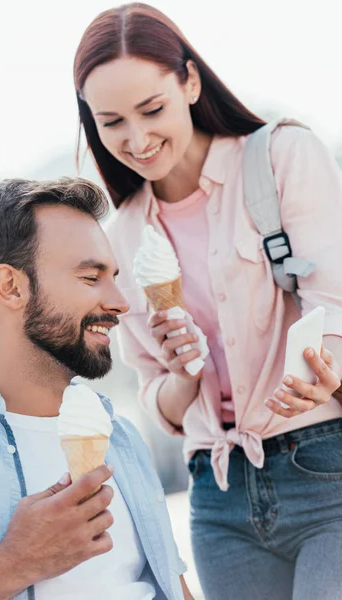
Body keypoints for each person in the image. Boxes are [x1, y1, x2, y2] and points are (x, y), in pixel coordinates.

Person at [73, 4, 342, 599]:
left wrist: (324, 371)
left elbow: (337, 307)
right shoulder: (121, 236)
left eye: (151, 109)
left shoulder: (281, 157)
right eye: (112, 121)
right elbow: (159, 403)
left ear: (190, 81)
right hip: (217, 495)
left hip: (323, 466)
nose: (137, 139)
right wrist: (179, 372)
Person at [0, 177, 194, 600]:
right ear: (11, 287)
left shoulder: (121, 436)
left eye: (114, 277)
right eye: (91, 278)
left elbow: (174, 585)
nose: (120, 302)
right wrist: (16, 561)